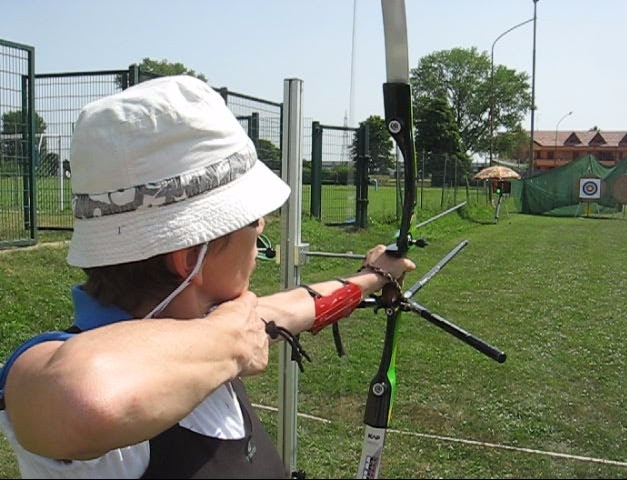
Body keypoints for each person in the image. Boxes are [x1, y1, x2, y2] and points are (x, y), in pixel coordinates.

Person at [0, 75, 415, 479]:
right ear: (189, 258)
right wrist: (233, 340)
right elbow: (84, 397)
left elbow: (292, 307)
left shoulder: (207, 327)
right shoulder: (64, 385)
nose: (263, 224)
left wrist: (372, 276)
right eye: (251, 219)